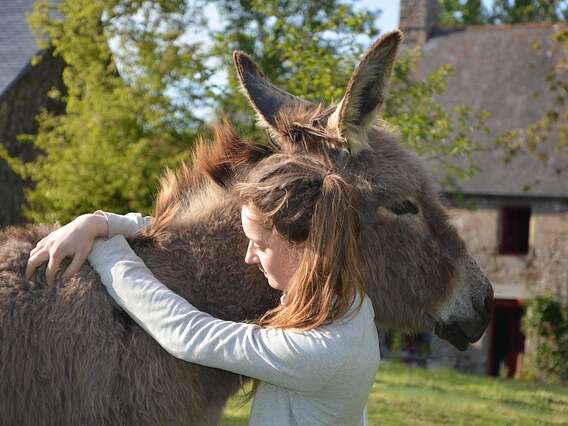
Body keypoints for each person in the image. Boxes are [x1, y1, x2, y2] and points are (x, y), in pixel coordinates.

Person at [26, 153, 380, 426]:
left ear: (304, 246)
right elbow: (183, 240)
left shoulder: (319, 352)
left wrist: (105, 246)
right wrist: (101, 222)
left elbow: (187, 334)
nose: (248, 256)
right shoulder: (350, 302)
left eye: (260, 244)